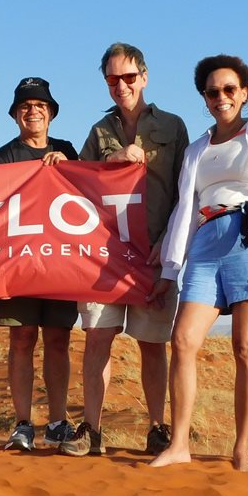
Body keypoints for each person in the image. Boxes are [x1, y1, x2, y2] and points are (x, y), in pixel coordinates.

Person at [148, 55, 248, 472]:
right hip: (205, 242)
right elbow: (184, 209)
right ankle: (179, 444)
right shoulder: (197, 149)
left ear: (244, 93)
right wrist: (169, 269)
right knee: (183, 341)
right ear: (204, 98)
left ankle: (242, 450)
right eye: (212, 92)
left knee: (246, 348)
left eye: (229, 89)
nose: (221, 97)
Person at [62, 43, 189, 458]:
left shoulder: (172, 125)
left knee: (153, 344)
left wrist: (168, 244)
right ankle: (92, 431)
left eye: (129, 77)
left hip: (155, 253)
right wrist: (113, 158)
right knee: (98, 338)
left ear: (145, 77)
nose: (122, 86)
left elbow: (184, 191)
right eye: (113, 79)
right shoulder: (98, 134)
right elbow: (76, 185)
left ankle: (157, 428)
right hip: (104, 256)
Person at [0, 77, 79, 452]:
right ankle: (23, 423)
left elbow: (89, 195)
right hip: (19, 264)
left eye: (40, 105)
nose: (33, 111)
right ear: (15, 115)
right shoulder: (5, 155)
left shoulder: (68, 150)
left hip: (60, 263)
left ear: (52, 113)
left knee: (58, 340)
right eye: (25, 106)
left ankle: (58, 421)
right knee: (22, 338)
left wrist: (70, 167)